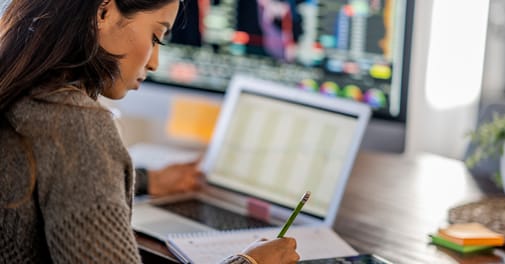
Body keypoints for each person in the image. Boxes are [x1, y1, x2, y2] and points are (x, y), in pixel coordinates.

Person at [0, 0, 300, 263]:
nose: (155, 62)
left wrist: (147, 180)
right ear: (103, 12)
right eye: (157, 36)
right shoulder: (77, 124)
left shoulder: (19, 90)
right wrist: (249, 262)